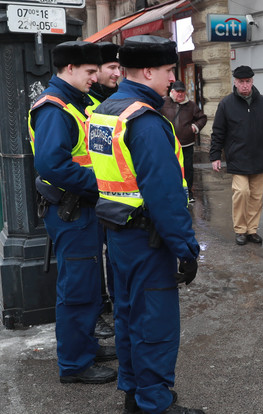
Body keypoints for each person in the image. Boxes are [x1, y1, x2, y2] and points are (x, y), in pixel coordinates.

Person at [88, 35, 202, 414]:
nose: (173, 78)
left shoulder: (106, 110)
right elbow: (166, 197)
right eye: (170, 71)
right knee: (155, 323)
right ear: (149, 71)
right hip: (148, 239)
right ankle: (154, 403)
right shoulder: (147, 121)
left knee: (128, 315)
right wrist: (186, 249)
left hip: (118, 234)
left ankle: (134, 394)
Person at [28, 41, 117, 384]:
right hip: (72, 210)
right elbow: (52, 165)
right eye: (91, 72)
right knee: (77, 288)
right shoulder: (54, 108)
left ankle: (86, 346)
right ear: (69, 69)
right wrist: (101, 184)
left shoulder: (77, 101)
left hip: (82, 209)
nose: (96, 78)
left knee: (88, 285)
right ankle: (75, 364)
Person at [210, 65, 263, 245]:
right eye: (241, 82)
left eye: (247, 81)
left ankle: (252, 230)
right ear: (235, 82)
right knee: (241, 192)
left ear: (252, 81)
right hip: (238, 157)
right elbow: (218, 132)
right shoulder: (226, 104)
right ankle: (240, 230)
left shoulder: (262, 103)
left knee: (256, 197)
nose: (244, 85)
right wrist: (215, 155)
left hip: (260, 156)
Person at [89, 41, 121, 341]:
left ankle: (111, 300)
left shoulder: (113, 98)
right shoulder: (87, 102)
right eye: (112, 67)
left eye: (118, 67)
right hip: (87, 194)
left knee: (112, 253)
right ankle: (97, 308)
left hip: (114, 195)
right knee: (90, 258)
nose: (117, 73)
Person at [160, 80, 207, 203]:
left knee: (187, 169)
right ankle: (170, 192)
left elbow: (202, 118)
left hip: (186, 143)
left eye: (182, 92)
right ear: (172, 92)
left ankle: (188, 193)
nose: (180, 94)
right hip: (169, 143)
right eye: (177, 92)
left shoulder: (191, 105)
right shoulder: (163, 102)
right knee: (169, 168)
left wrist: (194, 127)